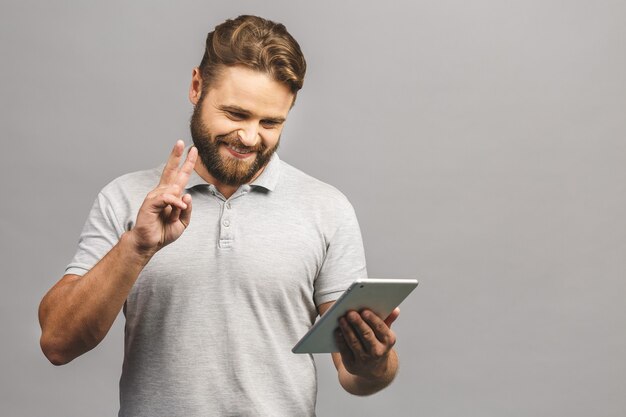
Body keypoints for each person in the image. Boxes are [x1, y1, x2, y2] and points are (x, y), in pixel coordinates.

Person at [38, 15, 400, 416]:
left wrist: (374, 362)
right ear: (196, 87)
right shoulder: (125, 198)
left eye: (270, 122)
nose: (249, 137)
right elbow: (57, 342)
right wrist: (136, 247)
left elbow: (356, 376)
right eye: (235, 114)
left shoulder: (327, 208)